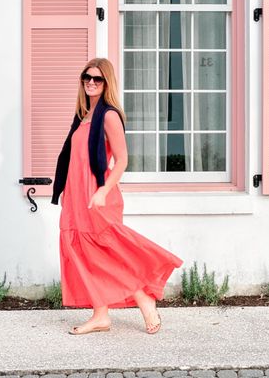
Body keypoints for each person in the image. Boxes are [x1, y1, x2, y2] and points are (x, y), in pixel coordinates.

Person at [51, 57, 183, 335]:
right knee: (86, 255)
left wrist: (103, 191)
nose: (90, 82)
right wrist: (65, 190)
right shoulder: (83, 115)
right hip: (77, 196)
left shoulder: (109, 115)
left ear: (106, 82)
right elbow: (74, 159)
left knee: (107, 254)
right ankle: (101, 315)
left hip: (98, 195)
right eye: (86, 77)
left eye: (97, 79)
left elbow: (122, 160)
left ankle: (143, 298)